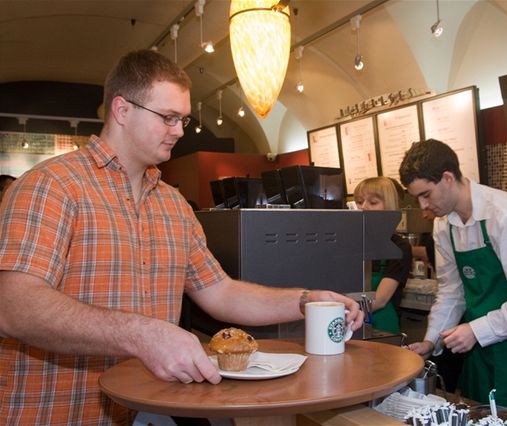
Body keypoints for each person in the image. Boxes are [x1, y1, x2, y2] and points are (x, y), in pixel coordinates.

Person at [0, 49, 364, 425]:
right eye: (168, 117)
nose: (179, 131)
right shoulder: (51, 185)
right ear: (122, 110)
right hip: (50, 412)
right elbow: (14, 307)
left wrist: (304, 301)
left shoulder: (173, 204)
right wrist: (141, 335)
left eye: (183, 120)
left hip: (137, 411)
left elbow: (221, 291)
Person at [399, 139, 507, 423]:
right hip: (476, 354)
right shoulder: (444, 223)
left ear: (447, 178)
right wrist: (431, 340)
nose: (423, 206)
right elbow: (451, 291)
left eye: (426, 195)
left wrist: (476, 329)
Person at [353, 176, 412, 334]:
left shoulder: (399, 247)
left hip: (382, 329)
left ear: (389, 207)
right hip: (352, 324)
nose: (363, 207)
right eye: (359, 201)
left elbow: (380, 299)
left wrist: (341, 310)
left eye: (373, 202)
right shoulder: (350, 242)